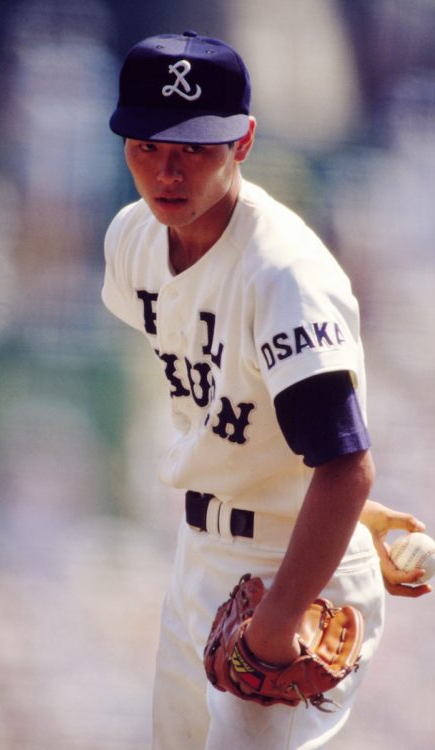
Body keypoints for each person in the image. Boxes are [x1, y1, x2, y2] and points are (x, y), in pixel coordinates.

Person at [102, 31, 431, 750]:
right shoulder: (133, 240)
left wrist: (279, 622)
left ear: (243, 142)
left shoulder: (284, 275)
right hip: (199, 556)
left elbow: (345, 465)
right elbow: (237, 407)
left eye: (195, 146)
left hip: (287, 578)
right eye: (149, 145)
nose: (168, 169)